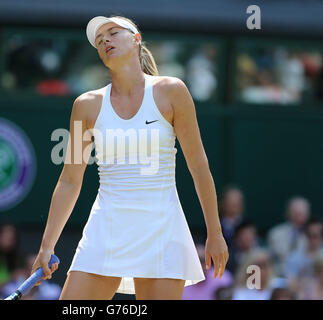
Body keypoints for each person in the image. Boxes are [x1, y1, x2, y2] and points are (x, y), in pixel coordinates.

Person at [30, 15, 229, 300]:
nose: (105, 41)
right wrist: (46, 246)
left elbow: (198, 166)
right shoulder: (85, 106)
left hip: (162, 231)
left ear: (136, 39)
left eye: (112, 33)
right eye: (100, 41)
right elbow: (70, 181)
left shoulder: (172, 91)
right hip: (105, 229)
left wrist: (215, 233)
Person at [267, 196, 310, 274]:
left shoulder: (313, 236)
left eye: (302, 214)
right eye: (296, 213)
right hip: (279, 276)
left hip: (304, 277)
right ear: (289, 213)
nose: (300, 217)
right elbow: (271, 260)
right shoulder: (275, 233)